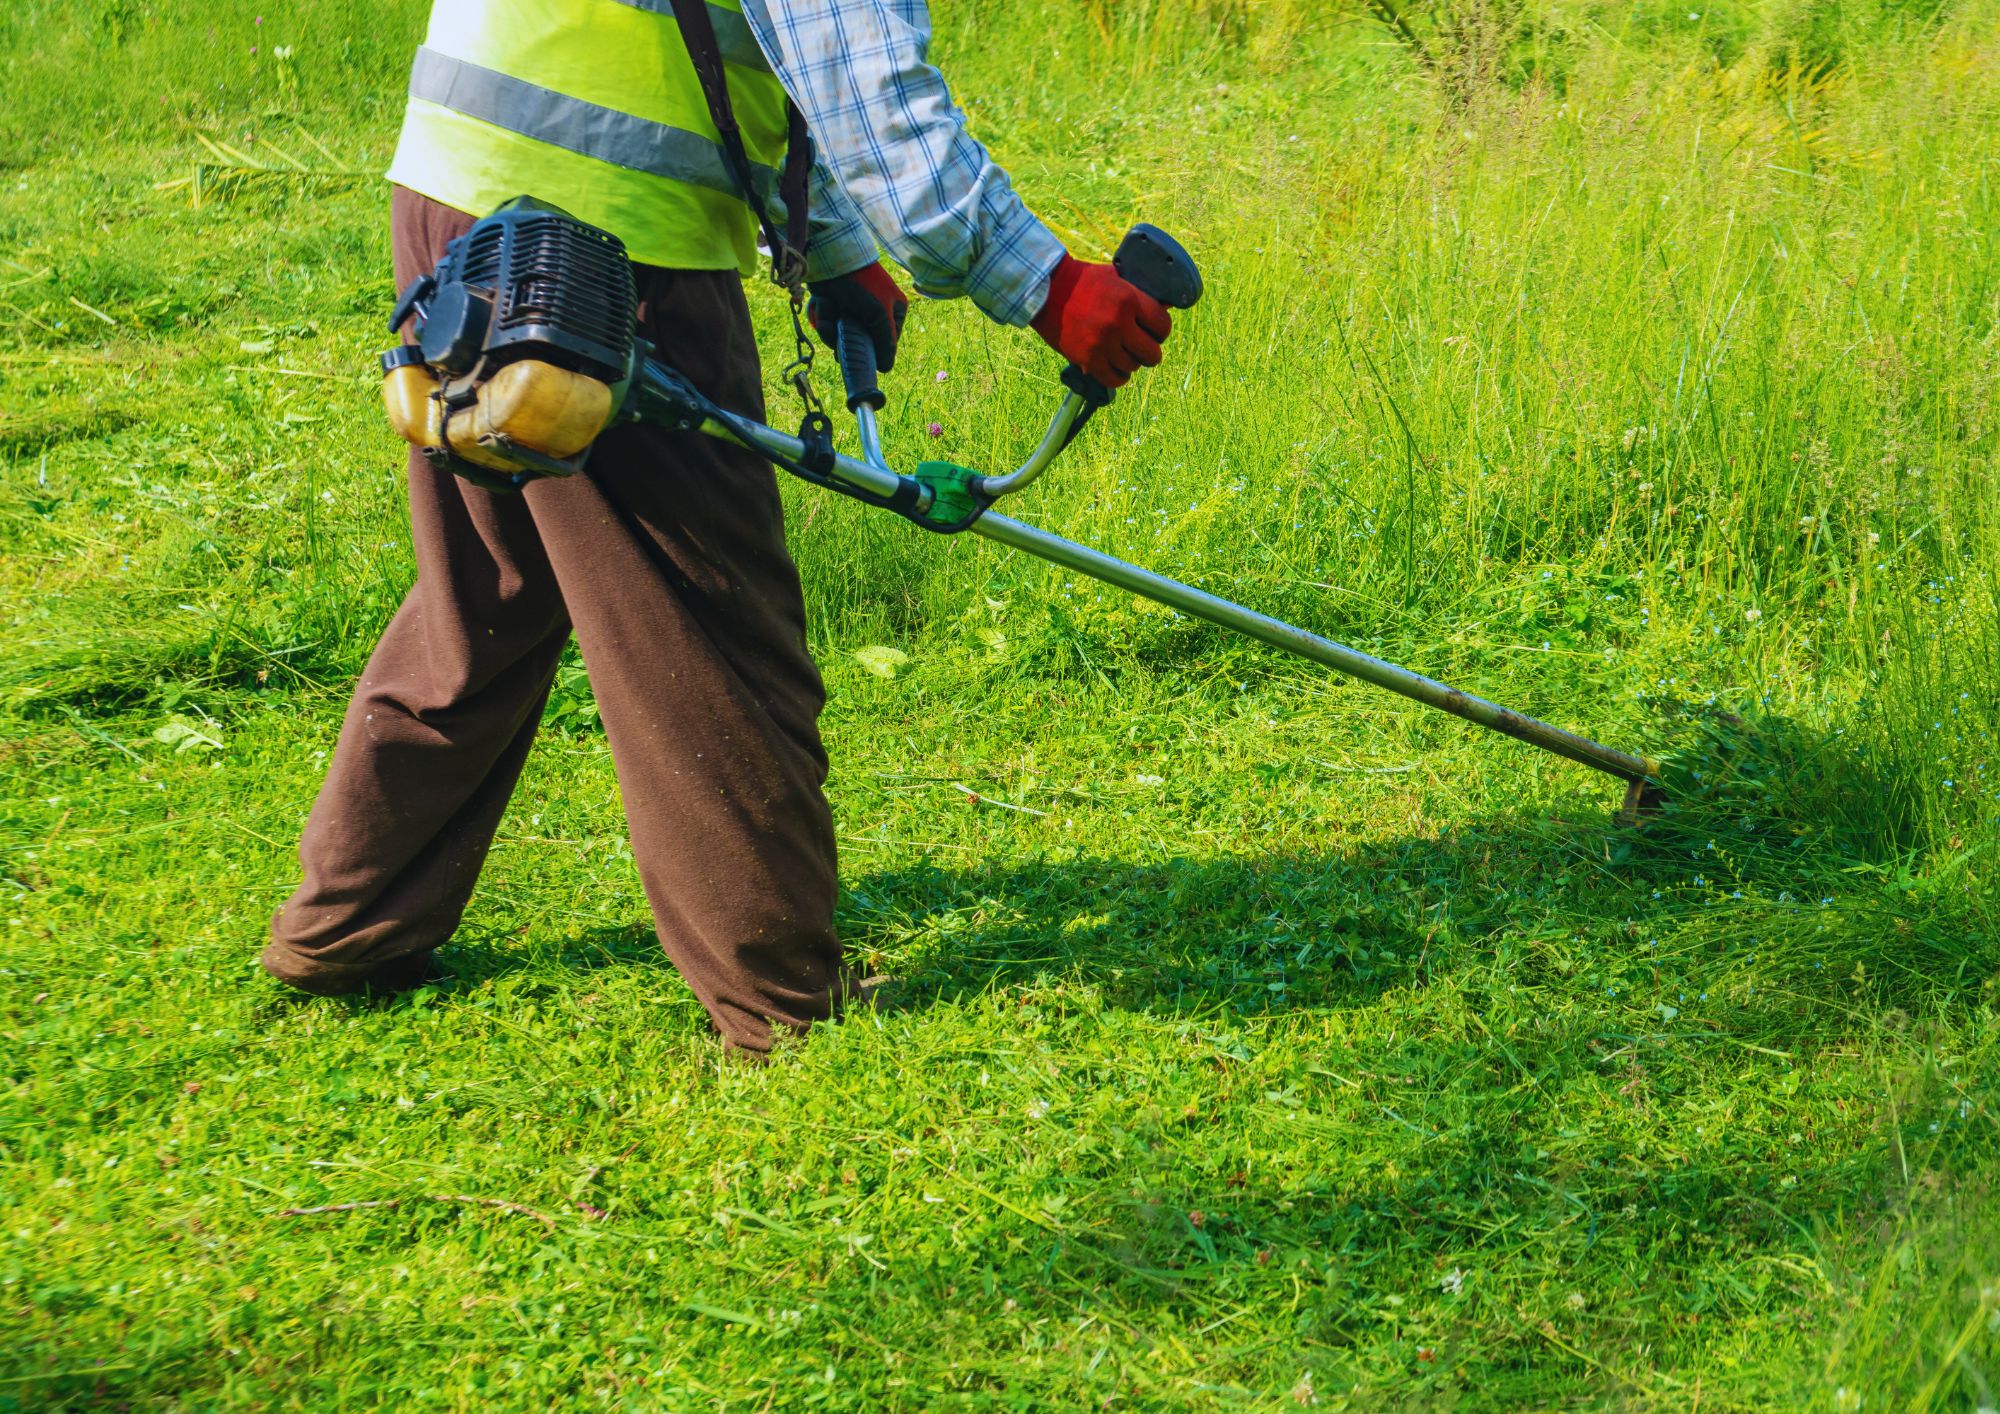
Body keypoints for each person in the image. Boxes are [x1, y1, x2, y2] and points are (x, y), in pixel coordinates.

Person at [261, 0, 1174, 1053]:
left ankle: (349, 923)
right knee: (708, 620)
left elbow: (766, 45)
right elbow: (864, 88)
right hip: (603, 247)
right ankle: (780, 1000)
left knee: (491, 585)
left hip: (454, 192)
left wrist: (827, 248)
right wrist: (1049, 285)